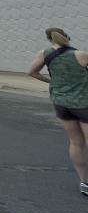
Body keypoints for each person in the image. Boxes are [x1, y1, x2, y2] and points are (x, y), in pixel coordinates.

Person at [27, 27, 88, 197]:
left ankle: (84, 182)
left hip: (61, 103)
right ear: (67, 37)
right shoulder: (81, 55)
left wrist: (51, 80)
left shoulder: (44, 53)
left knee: (76, 143)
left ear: (49, 39)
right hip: (83, 103)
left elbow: (31, 72)